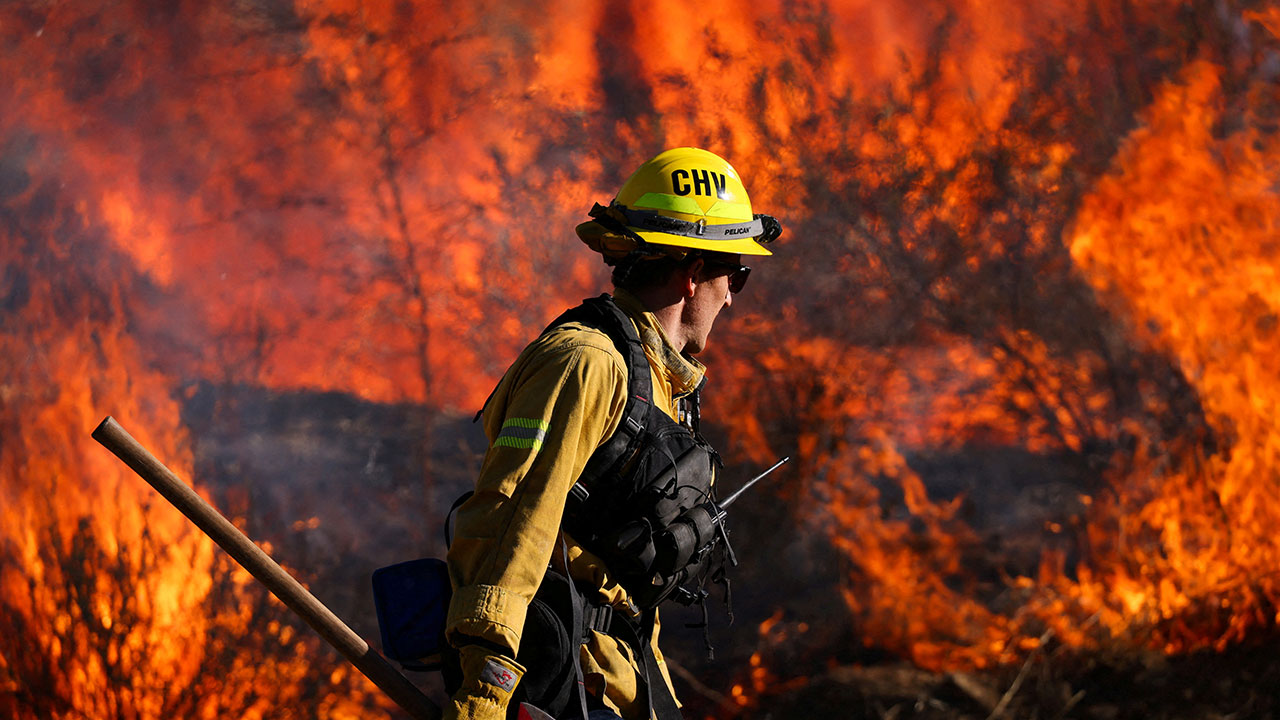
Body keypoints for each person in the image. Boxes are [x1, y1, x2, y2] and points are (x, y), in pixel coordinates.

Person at [443, 147, 781, 720]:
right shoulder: (586, 364)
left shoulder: (655, 380)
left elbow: (615, 586)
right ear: (694, 274)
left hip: (617, 678)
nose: (732, 296)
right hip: (559, 686)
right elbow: (509, 533)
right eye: (736, 275)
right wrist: (483, 699)